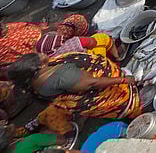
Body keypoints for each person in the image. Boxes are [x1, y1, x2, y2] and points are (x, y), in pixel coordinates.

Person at [6, 51, 141, 136]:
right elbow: (92, 83)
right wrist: (123, 80)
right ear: (39, 67)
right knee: (127, 103)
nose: (41, 54)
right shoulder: (62, 77)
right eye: (38, 57)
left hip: (75, 98)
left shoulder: (34, 83)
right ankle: (134, 115)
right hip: (111, 96)